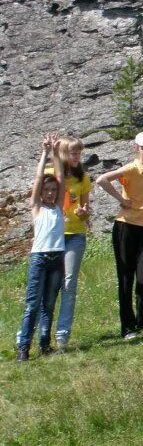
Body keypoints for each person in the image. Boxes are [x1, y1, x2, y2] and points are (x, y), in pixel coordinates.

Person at [97, 131, 143, 338]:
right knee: (125, 277)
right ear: (137, 149)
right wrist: (121, 199)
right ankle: (127, 326)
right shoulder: (132, 168)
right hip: (126, 226)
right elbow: (102, 179)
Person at [16, 135, 65, 361]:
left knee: (49, 304)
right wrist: (45, 153)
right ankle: (23, 348)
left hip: (57, 258)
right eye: (47, 190)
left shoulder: (57, 207)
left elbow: (60, 176)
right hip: (39, 258)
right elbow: (38, 178)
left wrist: (56, 154)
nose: (51, 193)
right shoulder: (37, 207)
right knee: (32, 305)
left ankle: (45, 345)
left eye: (53, 190)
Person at [41, 136, 91, 351]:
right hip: (53, 237)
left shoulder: (83, 178)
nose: (77, 157)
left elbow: (86, 211)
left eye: (79, 153)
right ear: (62, 154)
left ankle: (62, 337)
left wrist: (83, 212)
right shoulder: (50, 175)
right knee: (48, 287)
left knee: (69, 284)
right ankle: (41, 334)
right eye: (72, 153)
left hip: (75, 236)